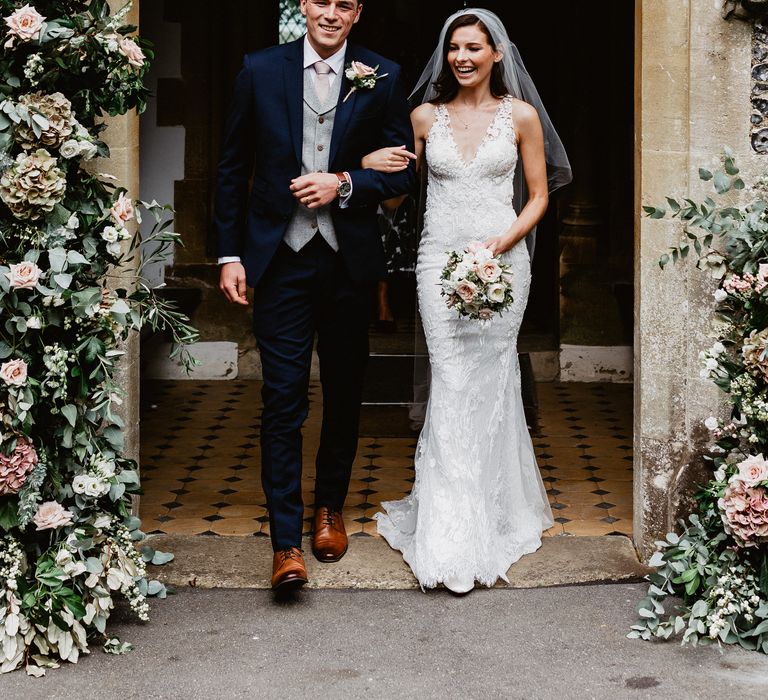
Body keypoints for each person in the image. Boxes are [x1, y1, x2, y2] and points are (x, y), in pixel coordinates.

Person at [367, 8, 572, 593]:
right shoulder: (424, 117)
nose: (462, 57)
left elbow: (537, 198)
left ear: (497, 53)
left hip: (504, 259)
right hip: (438, 260)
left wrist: (501, 243)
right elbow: (395, 197)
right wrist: (369, 168)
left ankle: (496, 508)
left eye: (474, 48)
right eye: (454, 47)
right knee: (452, 379)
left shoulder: (523, 117)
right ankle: (449, 529)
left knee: (492, 374)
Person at [214, 0, 415, 591]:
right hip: (279, 262)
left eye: (344, 4)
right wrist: (229, 254)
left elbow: (404, 172)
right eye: (321, 1)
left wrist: (346, 180)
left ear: (357, 13)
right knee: (282, 401)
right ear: (304, 5)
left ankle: (329, 508)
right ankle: (284, 544)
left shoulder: (381, 74)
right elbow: (231, 168)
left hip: (348, 264)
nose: (331, 13)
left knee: (346, 392)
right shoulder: (259, 68)